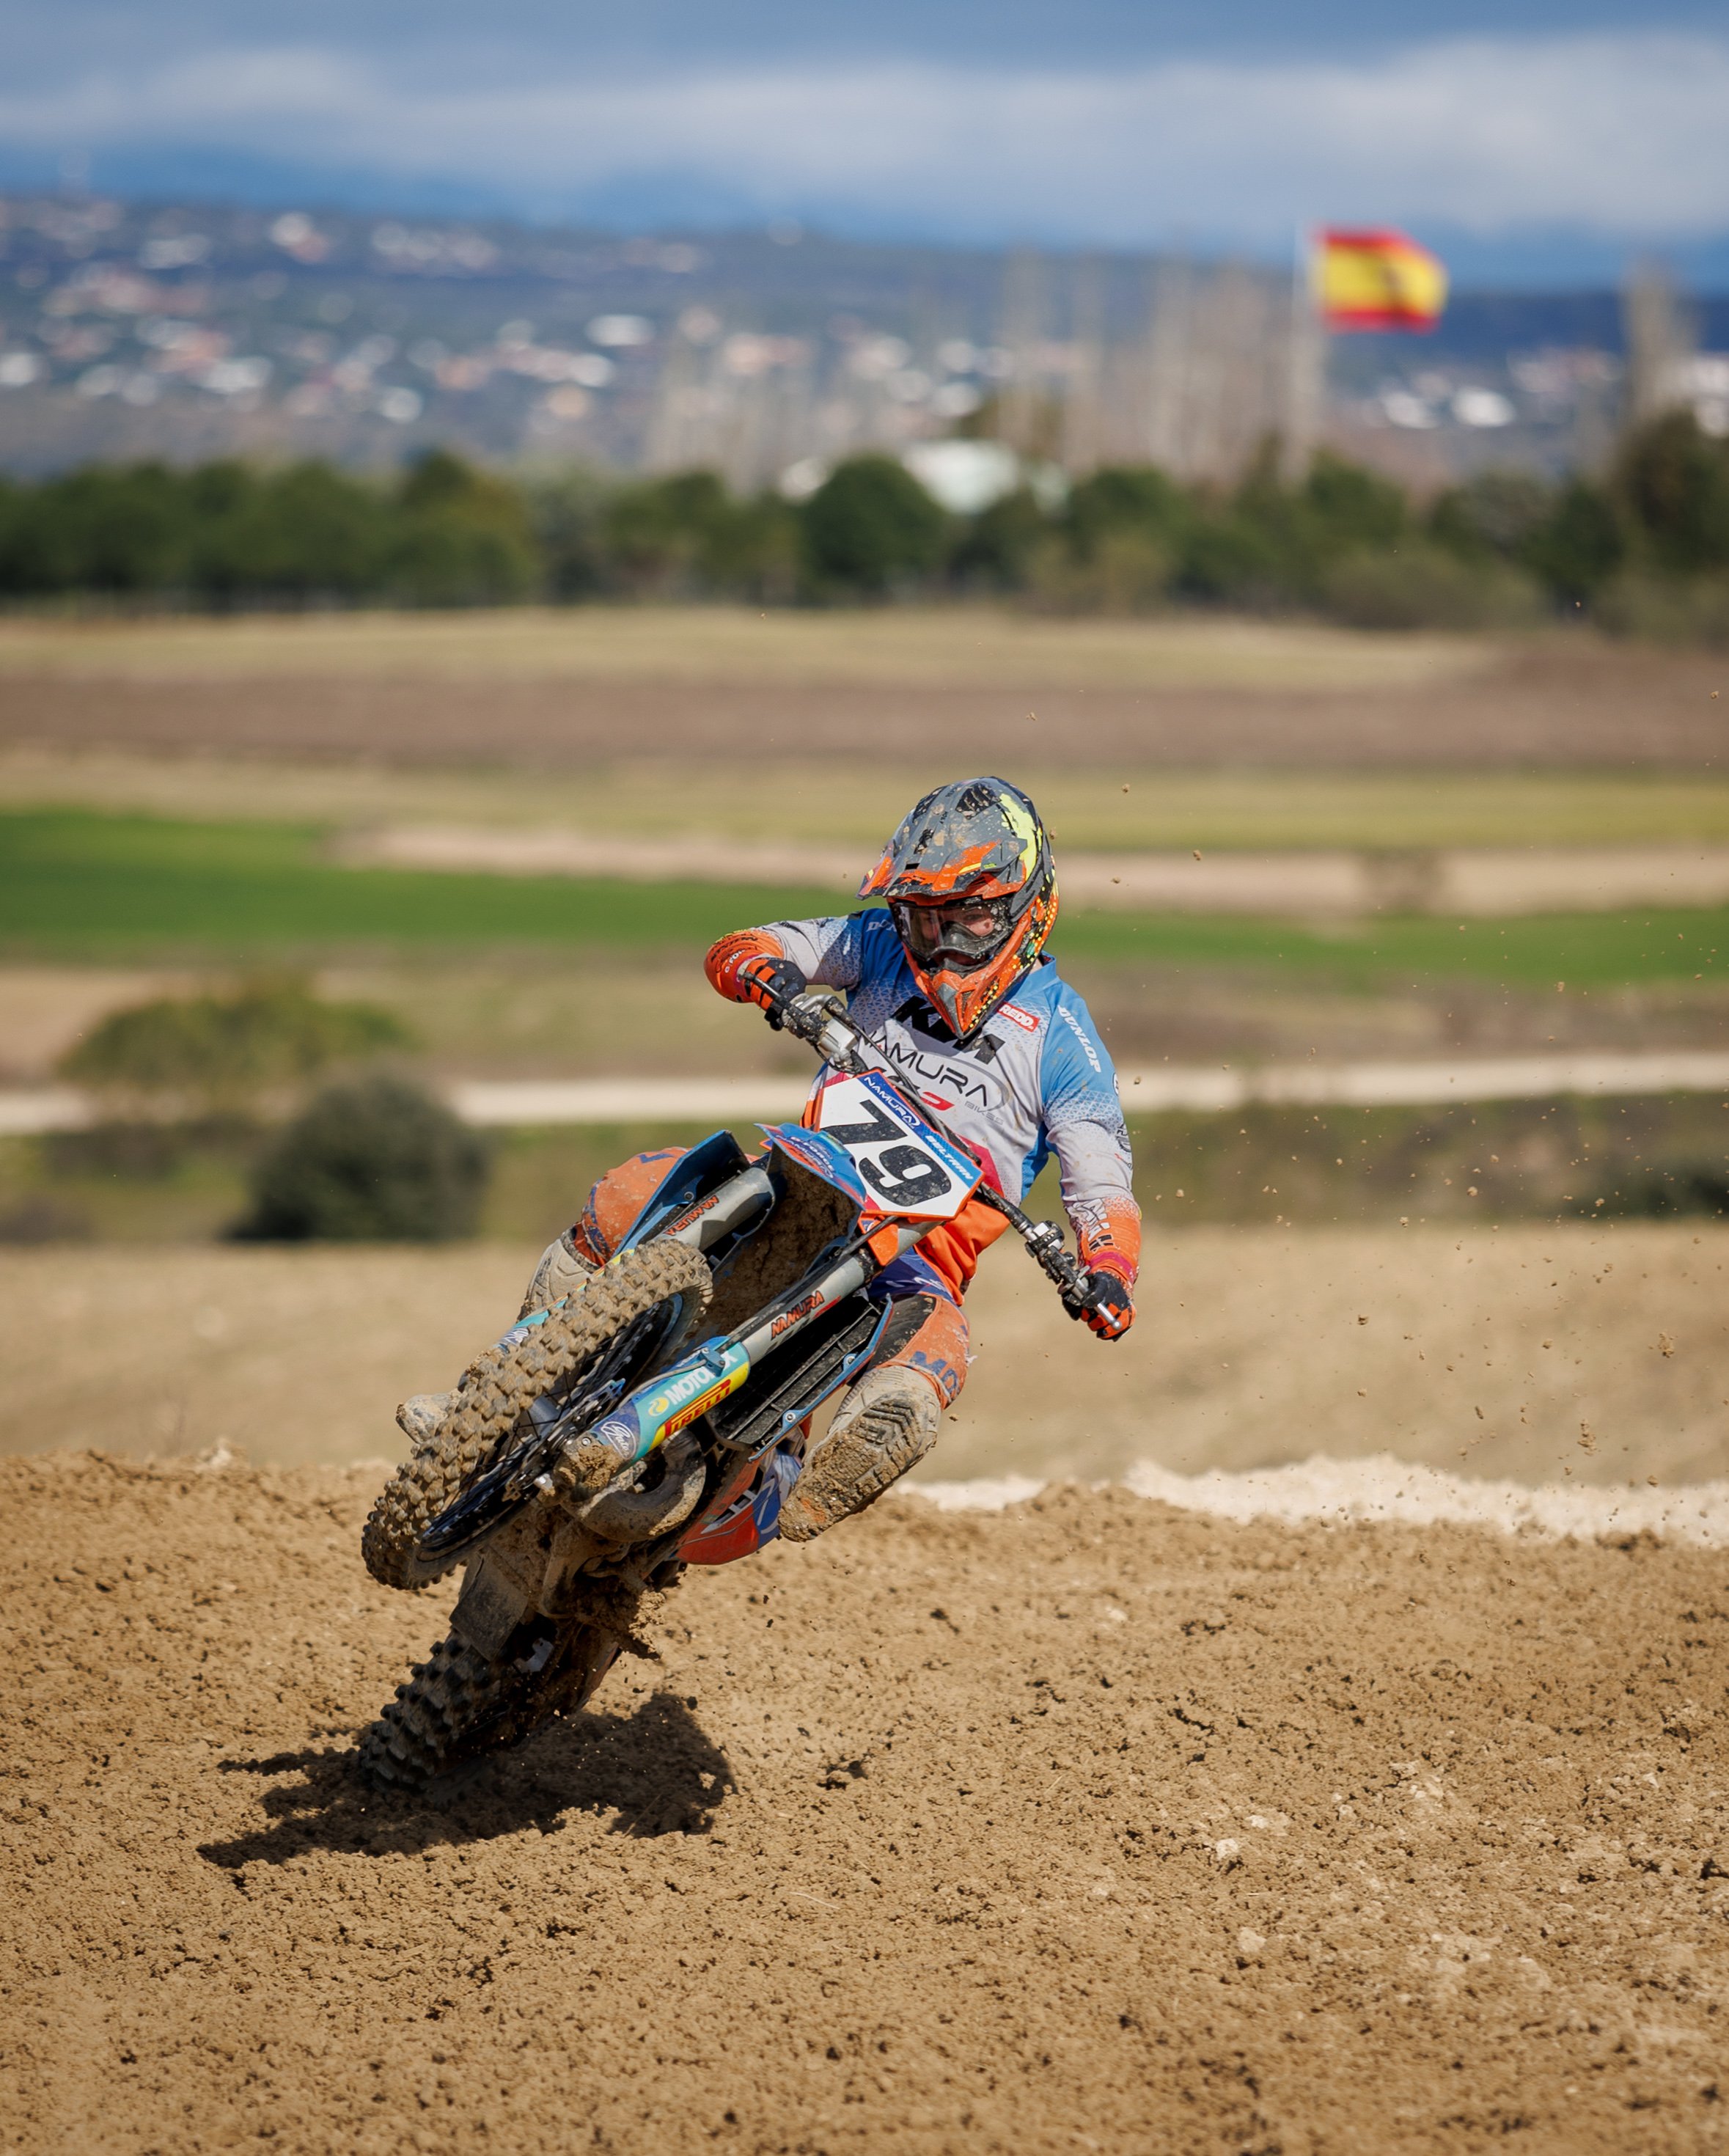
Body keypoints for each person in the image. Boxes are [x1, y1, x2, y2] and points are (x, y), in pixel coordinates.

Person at [403, 778, 1139, 1541]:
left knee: (925, 1367)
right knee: (632, 1190)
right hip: (798, 1181)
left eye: (967, 918)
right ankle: (489, 1411)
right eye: (924, 921)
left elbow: (1101, 1181)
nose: (942, 942)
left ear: (1025, 907)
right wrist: (769, 975)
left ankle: (806, 1487)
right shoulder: (875, 946)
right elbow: (752, 944)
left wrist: (1109, 1270)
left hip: (916, 1255)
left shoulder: (1062, 1038)